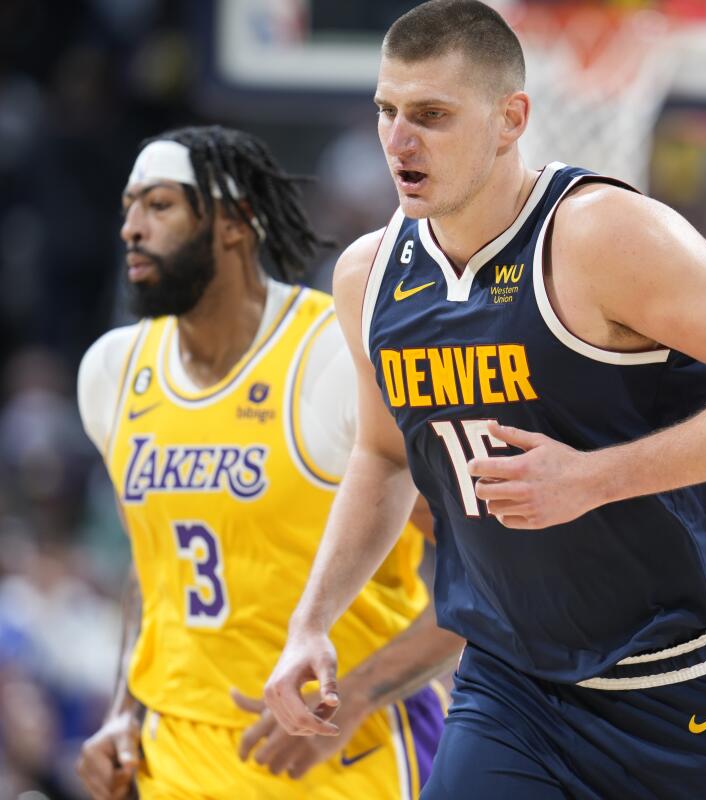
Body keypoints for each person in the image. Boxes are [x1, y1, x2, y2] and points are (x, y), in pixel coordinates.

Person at [264, 1, 706, 797]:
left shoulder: (600, 236)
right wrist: (311, 623)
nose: (398, 141)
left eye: (432, 116)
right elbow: (380, 456)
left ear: (511, 119)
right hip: (516, 694)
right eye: (388, 112)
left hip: (694, 689)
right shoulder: (368, 278)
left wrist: (593, 478)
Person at [75, 126, 462, 800]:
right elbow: (155, 565)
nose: (132, 228)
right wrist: (123, 710)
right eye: (128, 208)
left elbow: (494, 567)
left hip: (345, 754)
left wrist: (363, 694)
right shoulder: (112, 372)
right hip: (179, 760)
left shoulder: (333, 362)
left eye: (159, 205)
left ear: (234, 222)